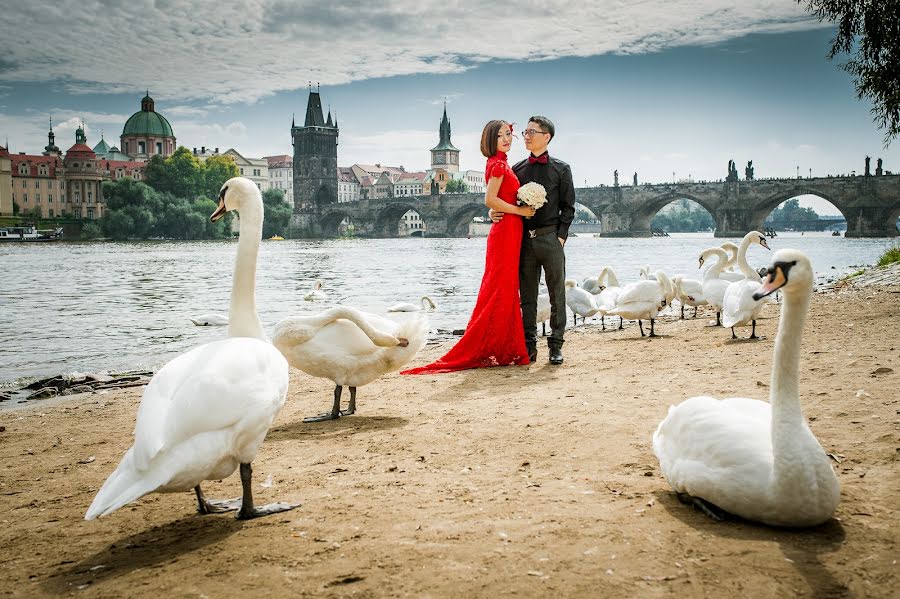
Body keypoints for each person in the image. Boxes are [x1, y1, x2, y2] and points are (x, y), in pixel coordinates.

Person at [402, 120, 536, 374]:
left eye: (509, 134)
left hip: (510, 229)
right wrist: (518, 210)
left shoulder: (501, 163)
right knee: (500, 287)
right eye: (500, 136)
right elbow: (490, 198)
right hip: (506, 231)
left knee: (503, 288)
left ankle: (502, 344)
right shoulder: (497, 164)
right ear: (490, 140)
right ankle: (499, 345)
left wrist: (500, 209)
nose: (507, 139)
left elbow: (494, 201)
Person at [490, 116, 575, 365]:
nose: (525, 136)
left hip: (551, 239)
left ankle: (556, 345)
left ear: (546, 136)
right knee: (526, 296)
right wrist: (492, 211)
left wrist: (560, 236)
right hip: (524, 241)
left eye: (531, 132)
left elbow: (568, 207)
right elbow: (503, 198)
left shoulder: (561, 168)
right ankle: (529, 346)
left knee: (557, 294)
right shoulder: (516, 169)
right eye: (525, 132)